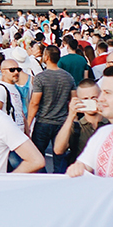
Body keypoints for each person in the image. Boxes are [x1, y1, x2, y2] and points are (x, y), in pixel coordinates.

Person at [26, 45, 76, 173]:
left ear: (46, 57)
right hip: (61, 121)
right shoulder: (68, 77)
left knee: (37, 156)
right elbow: (73, 99)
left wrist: (28, 123)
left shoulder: (41, 77)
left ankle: (43, 179)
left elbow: (34, 103)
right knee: (60, 156)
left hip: (43, 121)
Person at [54, 79, 108, 167]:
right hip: (82, 175)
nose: (90, 101)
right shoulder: (76, 126)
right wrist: (71, 115)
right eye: (85, 99)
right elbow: (58, 150)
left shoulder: (111, 123)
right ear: (79, 100)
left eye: (94, 98)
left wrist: (106, 112)